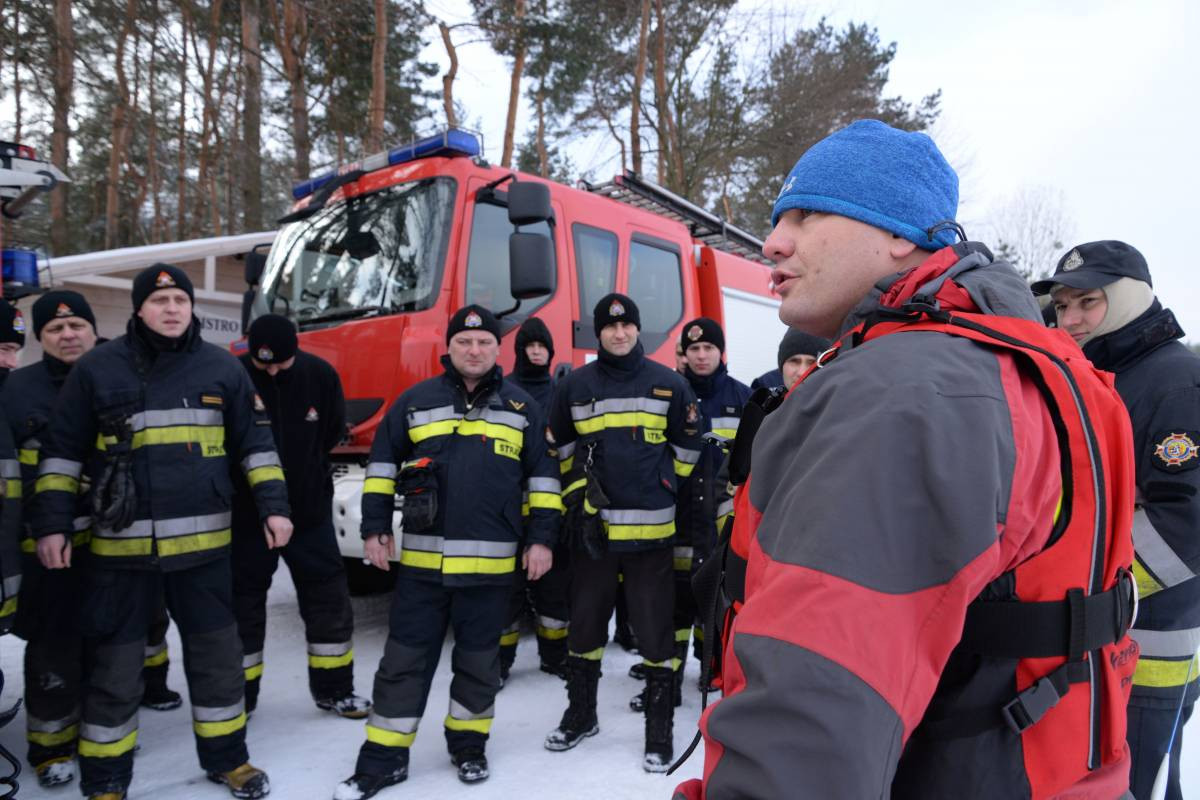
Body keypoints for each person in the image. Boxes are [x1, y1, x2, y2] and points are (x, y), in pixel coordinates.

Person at [674, 120, 1138, 799]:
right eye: (778, 218)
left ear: (900, 233)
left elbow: (811, 719)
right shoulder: (1026, 362)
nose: (774, 240)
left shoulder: (904, 391)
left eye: (807, 215)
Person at [34, 263, 292, 800]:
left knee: (219, 663)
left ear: (192, 306)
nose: (171, 309)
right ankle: (106, 779)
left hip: (204, 553)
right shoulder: (97, 370)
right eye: (159, 300)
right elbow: (60, 454)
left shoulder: (223, 369)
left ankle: (229, 760)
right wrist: (53, 524)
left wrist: (274, 507)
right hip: (121, 553)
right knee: (116, 669)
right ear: (138, 308)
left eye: (180, 299)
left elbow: (257, 448)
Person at [336, 305, 560, 798]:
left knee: (479, 666)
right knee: (402, 664)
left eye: (483, 343)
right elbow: (380, 469)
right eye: (465, 342)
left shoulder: (523, 409)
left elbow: (544, 482)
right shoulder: (414, 403)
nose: (475, 351)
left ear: (497, 349)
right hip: (422, 571)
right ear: (450, 348)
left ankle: (468, 746)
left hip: (491, 572)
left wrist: (542, 539)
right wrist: (375, 529)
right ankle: (383, 760)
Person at [1034, 241, 1200, 800]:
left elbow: (1189, 524)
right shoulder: (1086, 376)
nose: (1072, 319)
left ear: (1131, 299)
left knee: (1140, 785)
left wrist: (1102, 584)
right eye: (1062, 306)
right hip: (1082, 634)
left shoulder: (1177, 382)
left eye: (1088, 302)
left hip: (1150, 647)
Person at [0, 291, 184, 789]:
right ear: (41, 338)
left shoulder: (119, 375)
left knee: (114, 645)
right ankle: (51, 746)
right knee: (52, 648)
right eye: (55, 329)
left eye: (77, 326)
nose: (68, 335)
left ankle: (106, 735)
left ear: (91, 328)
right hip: (47, 546)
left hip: (115, 543)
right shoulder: (14, 392)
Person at [544, 293, 702, 772]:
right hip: (593, 537)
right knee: (585, 626)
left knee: (655, 635)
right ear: (599, 333)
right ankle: (580, 714)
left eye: (627, 326)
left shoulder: (669, 384)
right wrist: (578, 499)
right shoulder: (575, 385)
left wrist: (656, 485)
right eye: (610, 327)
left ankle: (659, 734)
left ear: (637, 330)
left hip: (652, 537)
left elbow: (689, 450)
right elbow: (559, 449)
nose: (619, 333)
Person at [231, 314, 369, 719]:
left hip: (308, 513)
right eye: (263, 364)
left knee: (328, 601)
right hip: (248, 515)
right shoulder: (234, 377)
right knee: (243, 607)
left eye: (281, 363)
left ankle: (335, 690)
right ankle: (241, 699)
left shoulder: (320, 375)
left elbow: (327, 434)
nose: (272, 370)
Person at [631, 317, 749, 710]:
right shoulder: (668, 394)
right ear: (684, 354)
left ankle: (709, 672)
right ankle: (668, 676)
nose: (701, 356)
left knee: (713, 600)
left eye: (708, 349)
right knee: (672, 603)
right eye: (694, 349)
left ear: (721, 353)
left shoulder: (744, 398)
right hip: (675, 515)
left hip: (721, 522)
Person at [498, 317, 570, 682]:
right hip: (507, 511)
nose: (537, 351)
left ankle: (555, 656)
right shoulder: (503, 390)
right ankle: (501, 662)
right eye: (531, 346)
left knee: (553, 591)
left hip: (549, 506)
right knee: (507, 593)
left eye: (543, 346)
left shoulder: (560, 391)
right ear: (520, 351)